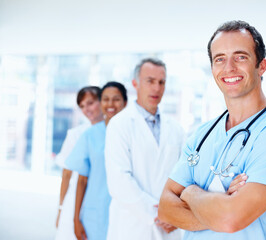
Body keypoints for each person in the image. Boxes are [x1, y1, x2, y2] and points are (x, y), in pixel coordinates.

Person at [158, 20, 266, 240]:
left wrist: (190, 193)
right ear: (212, 68)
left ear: (262, 65)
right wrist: (220, 204)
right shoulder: (202, 135)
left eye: (240, 57)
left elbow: (230, 219)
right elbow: (165, 208)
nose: (229, 68)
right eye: (220, 59)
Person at [104, 58, 184, 240]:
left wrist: (174, 213)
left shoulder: (176, 129)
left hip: (169, 226)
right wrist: (159, 214)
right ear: (135, 84)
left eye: (161, 82)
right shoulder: (119, 125)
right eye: (150, 81)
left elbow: (184, 175)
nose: (156, 88)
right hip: (132, 226)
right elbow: (119, 181)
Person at [65, 81, 127, 240]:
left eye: (116, 99)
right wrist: (75, 219)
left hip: (126, 211)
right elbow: (82, 181)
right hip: (96, 214)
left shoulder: (133, 135)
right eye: (106, 99)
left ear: (125, 103)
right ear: (101, 103)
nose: (111, 104)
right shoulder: (90, 135)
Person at [55, 86, 103, 240]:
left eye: (90, 103)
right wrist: (61, 209)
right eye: (82, 106)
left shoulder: (116, 132)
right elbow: (66, 175)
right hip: (75, 200)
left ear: (102, 101)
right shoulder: (75, 135)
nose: (86, 109)